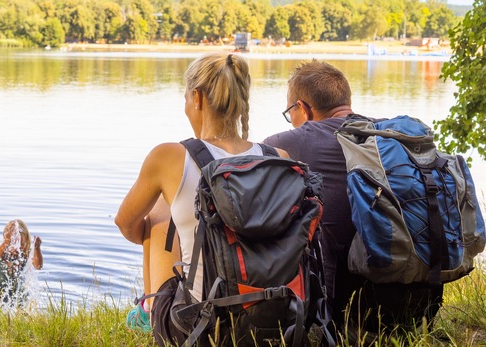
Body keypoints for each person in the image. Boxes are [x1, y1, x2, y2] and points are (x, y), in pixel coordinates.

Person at [262, 60, 442, 337]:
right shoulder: (387, 136)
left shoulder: (291, 141)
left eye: (291, 112)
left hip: (341, 307)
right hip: (418, 295)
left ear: (303, 108)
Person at [114, 52, 289, 334]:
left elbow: (126, 223)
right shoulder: (277, 157)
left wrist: (161, 238)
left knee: (162, 205)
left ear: (197, 98)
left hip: (201, 328)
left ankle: (149, 310)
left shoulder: (170, 156)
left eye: (186, 97)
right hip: (275, 319)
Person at [0, 219, 43, 308]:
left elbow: (38, 266)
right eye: (13, 244)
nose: (17, 248)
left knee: (21, 299)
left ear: (27, 241)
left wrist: (37, 248)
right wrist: (6, 242)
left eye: (21, 245)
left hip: (18, 286)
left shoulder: (27, 254)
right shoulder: (4, 251)